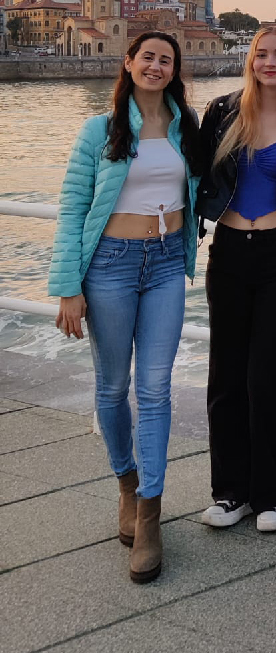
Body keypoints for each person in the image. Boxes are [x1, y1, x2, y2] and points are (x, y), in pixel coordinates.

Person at [49, 31, 201, 584]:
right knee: (113, 388)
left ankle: (152, 515)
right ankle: (127, 485)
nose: (156, 66)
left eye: (166, 59)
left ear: (175, 69)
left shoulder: (187, 127)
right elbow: (71, 208)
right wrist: (69, 285)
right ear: (130, 63)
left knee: (156, 387)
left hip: (165, 264)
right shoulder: (99, 130)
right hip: (109, 264)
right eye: (148, 58)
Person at [196, 24, 276, 533]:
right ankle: (231, 493)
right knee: (226, 377)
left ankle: (273, 494)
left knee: (267, 377)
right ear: (250, 59)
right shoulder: (223, 110)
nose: (269, 62)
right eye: (261, 53)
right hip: (227, 252)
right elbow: (189, 164)